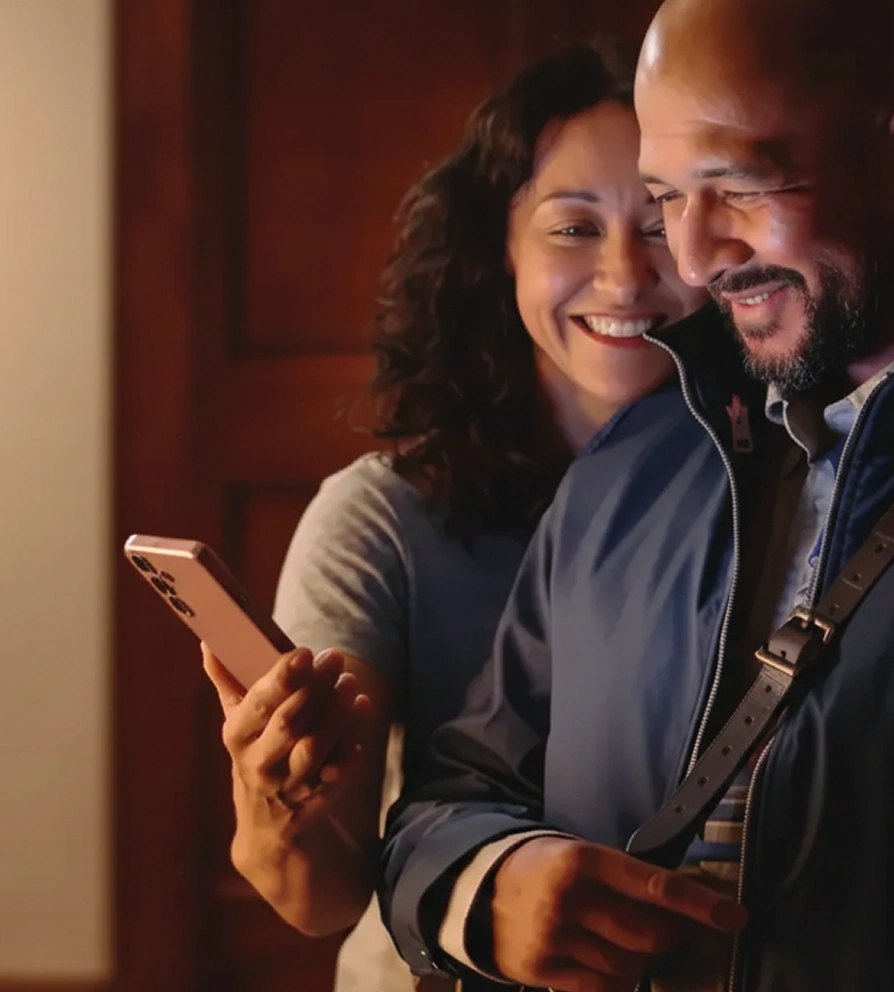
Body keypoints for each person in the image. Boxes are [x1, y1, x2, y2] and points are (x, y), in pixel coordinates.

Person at [379, 0, 894, 990]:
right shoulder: (626, 468)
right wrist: (494, 885)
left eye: (736, 185)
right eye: (668, 200)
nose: (694, 259)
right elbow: (458, 789)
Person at [200, 45, 708, 992]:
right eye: (572, 228)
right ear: (498, 251)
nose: (626, 274)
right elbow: (316, 899)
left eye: (661, 221)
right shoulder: (383, 520)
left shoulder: (780, 492)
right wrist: (274, 803)